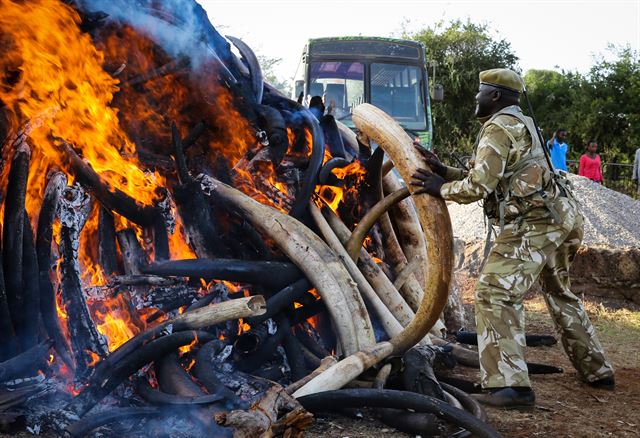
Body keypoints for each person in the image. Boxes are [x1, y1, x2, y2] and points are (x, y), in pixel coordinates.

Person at [411, 68, 615, 409]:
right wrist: (445, 171)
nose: (476, 98)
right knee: (559, 292)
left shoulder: (498, 126)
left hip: (535, 221)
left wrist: (440, 189)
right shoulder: (522, 123)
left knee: (494, 291)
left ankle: (512, 387)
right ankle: (597, 370)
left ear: (494, 96)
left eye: (480, 92)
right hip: (562, 215)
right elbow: (495, 176)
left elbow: (479, 186)